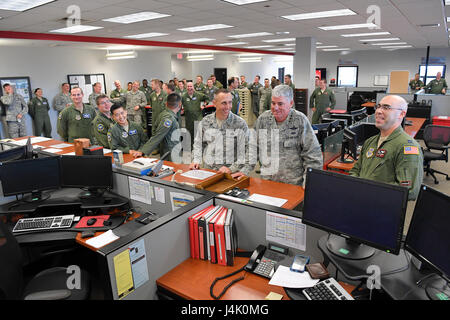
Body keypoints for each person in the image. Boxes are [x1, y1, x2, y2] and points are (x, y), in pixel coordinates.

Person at [349, 95, 423, 200]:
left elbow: (409, 191)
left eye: (386, 107)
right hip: (361, 203)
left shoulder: (407, 147)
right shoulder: (370, 142)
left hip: (381, 209)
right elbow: (355, 170)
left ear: (401, 114)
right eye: (378, 106)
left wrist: (367, 192)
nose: (378, 111)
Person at [254, 85, 323, 186]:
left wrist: (309, 183)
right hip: (267, 183)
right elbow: (252, 149)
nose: (275, 108)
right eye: (273, 103)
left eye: (280, 104)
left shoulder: (300, 120)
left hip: (293, 185)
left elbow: (313, 156)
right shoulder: (263, 120)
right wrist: (241, 170)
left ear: (291, 103)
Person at [190, 89, 251, 179]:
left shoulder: (239, 123)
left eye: (230, 102)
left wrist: (232, 169)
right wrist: (196, 160)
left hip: (231, 174)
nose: (228, 106)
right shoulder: (206, 121)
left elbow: (248, 150)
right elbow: (198, 144)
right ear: (214, 103)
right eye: (224, 103)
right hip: (209, 172)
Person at [140, 93, 182, 160]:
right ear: (180, 104)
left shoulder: (163, 114)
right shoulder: (168, 118)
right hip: (170, 152)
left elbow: (154, 131)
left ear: (166, 104)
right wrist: (143, 152)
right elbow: (158, 135)